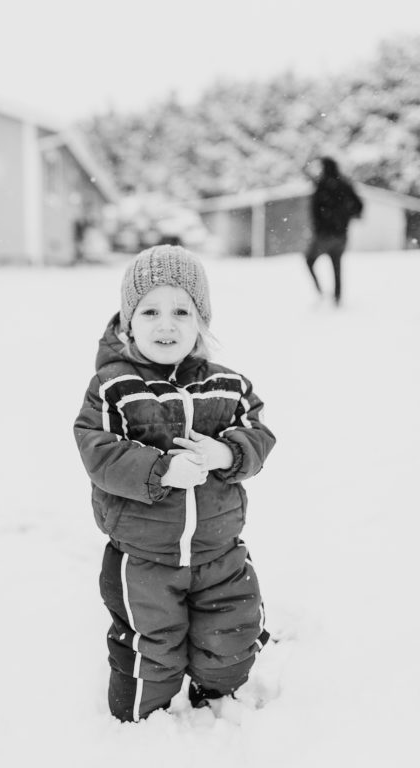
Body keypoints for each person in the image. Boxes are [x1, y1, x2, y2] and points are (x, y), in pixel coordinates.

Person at [72, 245, 275, 723]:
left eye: (182, 311)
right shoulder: (113, 386)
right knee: (150, 646)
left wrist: (228, 452)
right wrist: (158, 469)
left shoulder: (230, 385)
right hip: (143, 557)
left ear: (201, 321)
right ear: (128, 323)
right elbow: (95, 448)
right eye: (151, 311)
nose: (167, 324)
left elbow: (260, 434)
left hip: (219, 550)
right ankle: (144, 727)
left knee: (231, 633)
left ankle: (220, 696)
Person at [303, 156, 363, 306]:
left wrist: (322, 224)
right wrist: (346, 217)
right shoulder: (345, 185)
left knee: (309, 260)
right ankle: (337, 298)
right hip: (341, 234)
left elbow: (315, 211)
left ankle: (321, 293)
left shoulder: (322, 186)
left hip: (324, 234)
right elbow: (359, 206)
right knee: (336, 265)